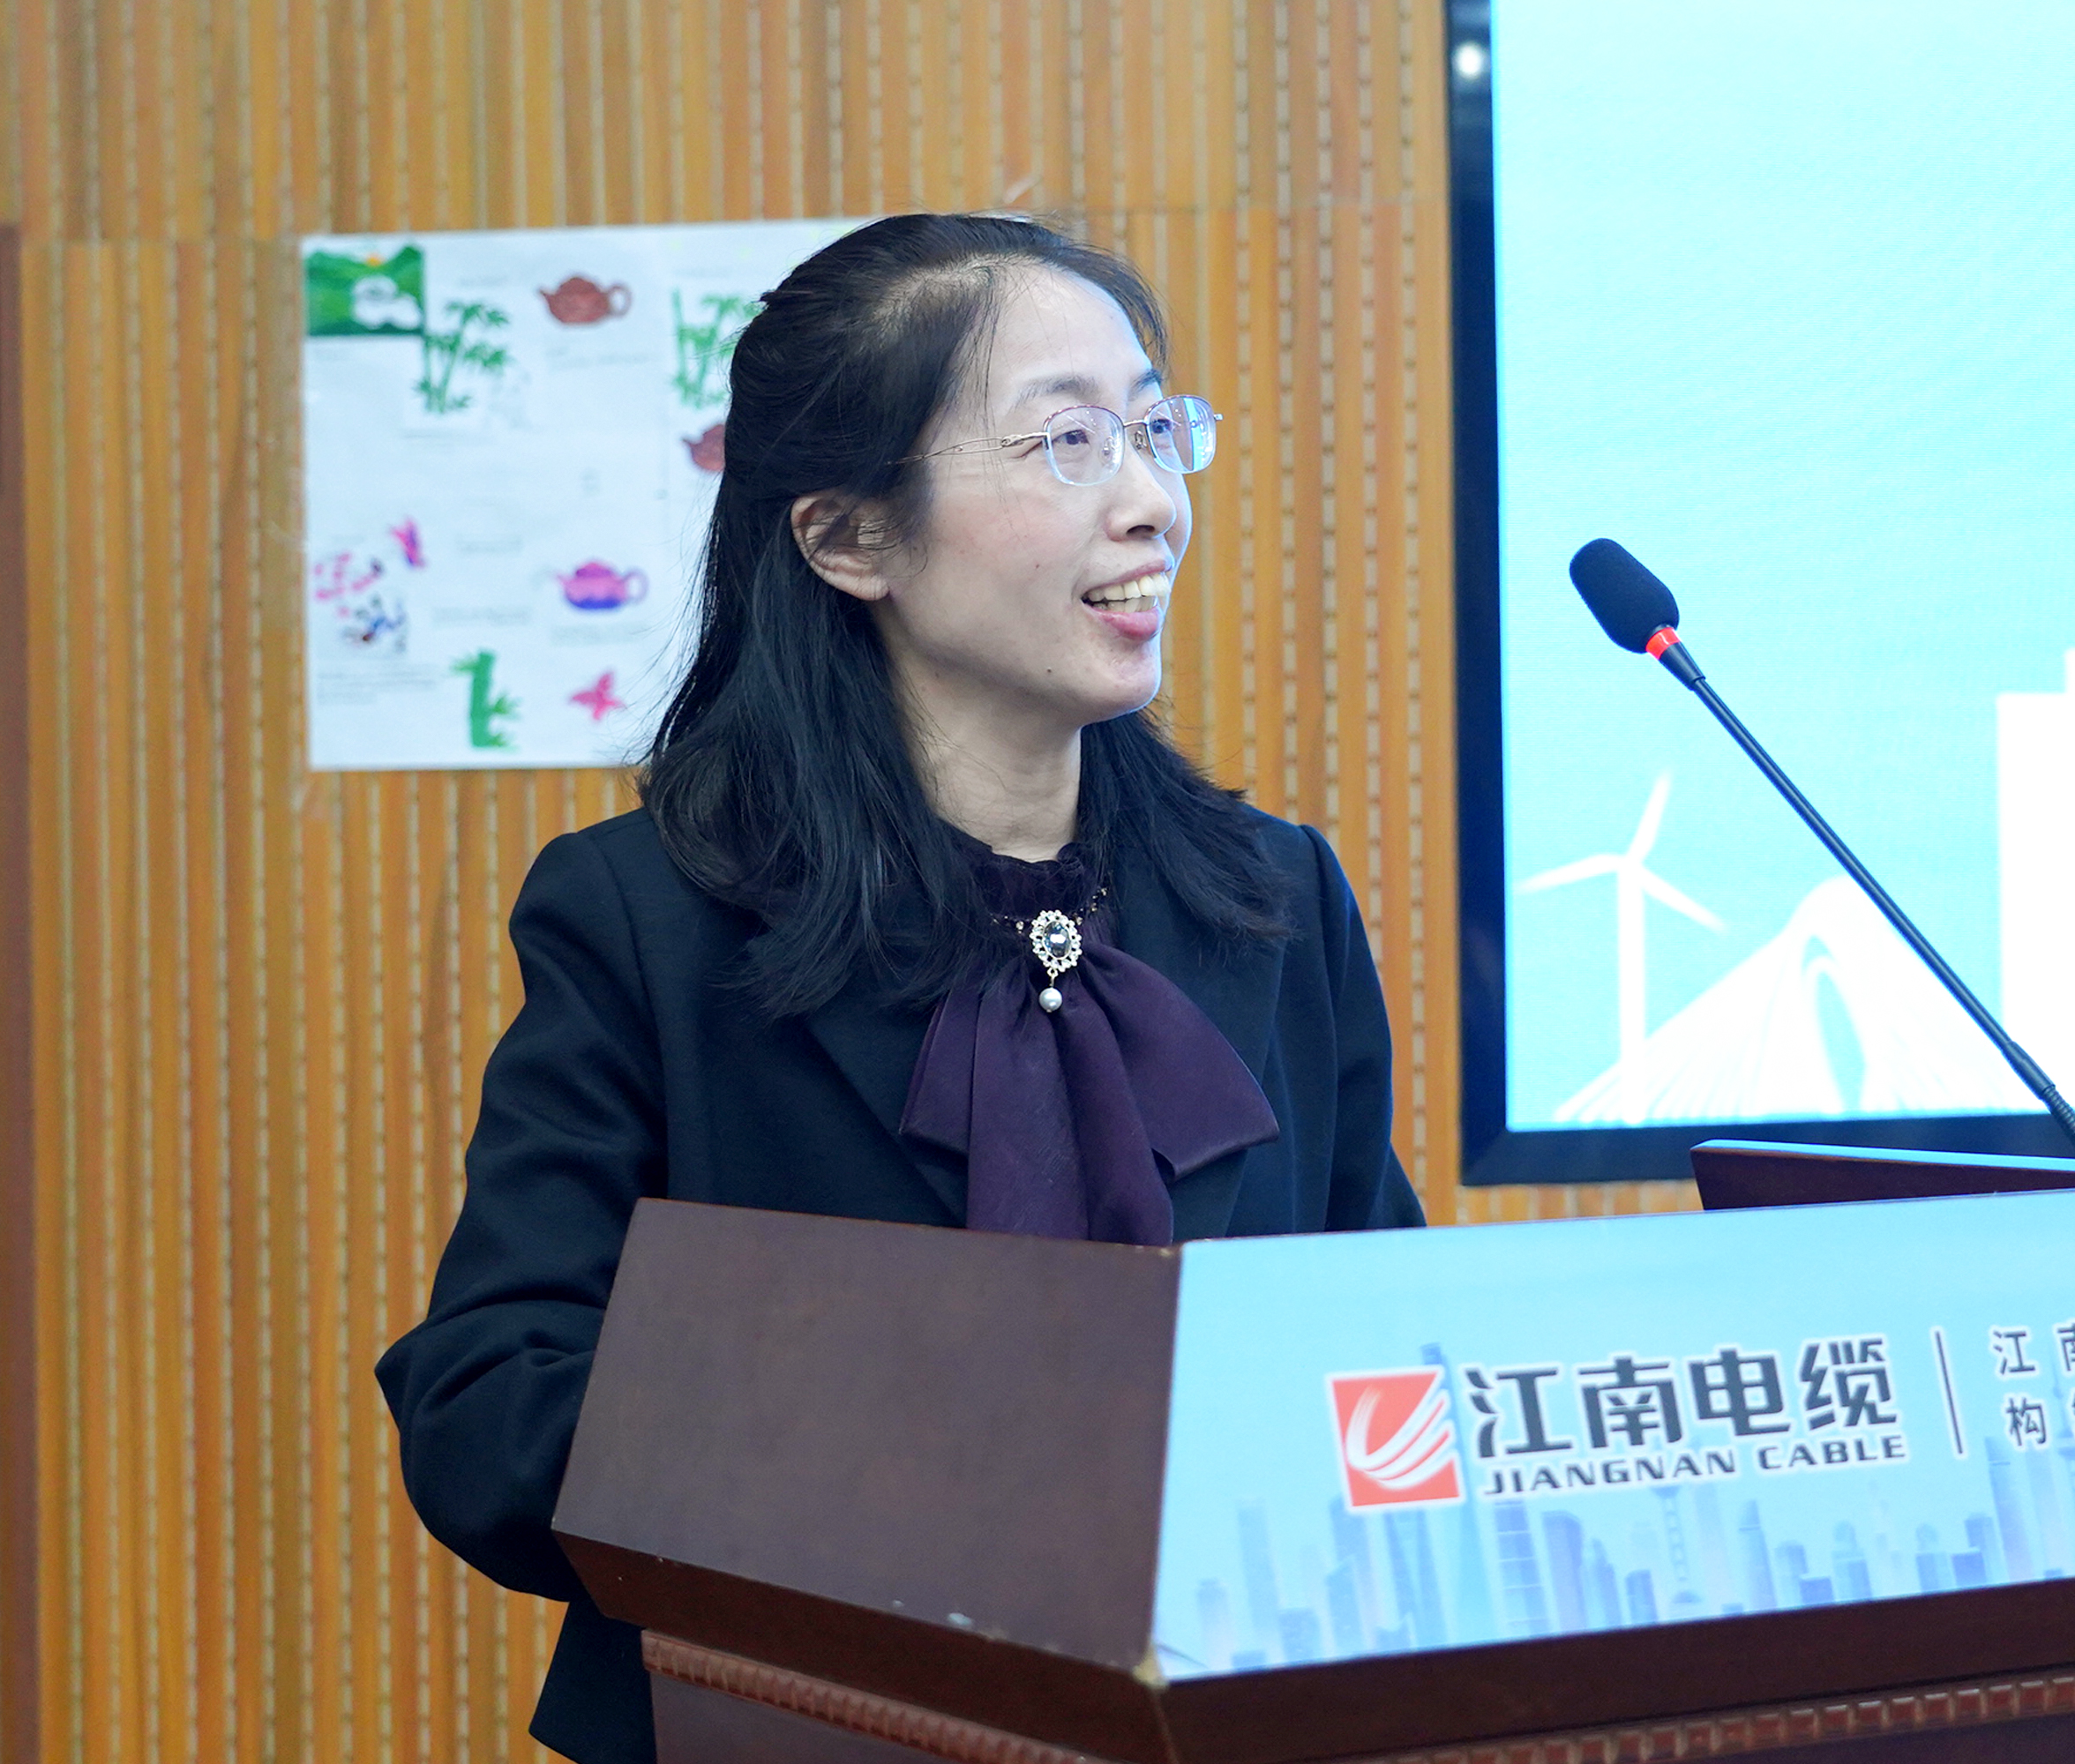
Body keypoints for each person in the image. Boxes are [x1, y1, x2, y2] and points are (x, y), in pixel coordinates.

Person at [375, 213, 1426, 1764]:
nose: (1152, 501)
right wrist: (902, 1448)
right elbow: (490, 1409)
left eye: (1153, 430)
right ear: (849, 538)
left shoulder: (1276, 899)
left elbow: (1384, 1348)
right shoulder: (650, 918)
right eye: (1068, 442)